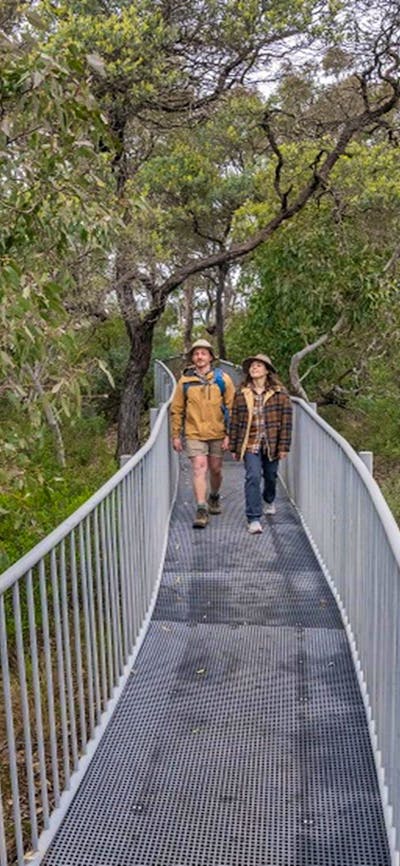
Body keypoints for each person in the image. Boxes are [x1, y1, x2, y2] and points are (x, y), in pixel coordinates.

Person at [171, 339, 235, 528]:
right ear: (192, 357)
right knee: (199, 468)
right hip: (194, 433)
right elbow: (177, 409)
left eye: (203, 353)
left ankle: (214, 496)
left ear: (210, 357)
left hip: (217, 432)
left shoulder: (223, 379)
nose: (199, 357)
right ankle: (201, 509)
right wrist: (176, 435)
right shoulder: (185, 381)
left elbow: (232, 407)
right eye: (196, 353)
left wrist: (229, 434)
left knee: (215, 469)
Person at [229, 353, 292, 534]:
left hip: (271, 443)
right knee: (253, 477)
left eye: (258, 365)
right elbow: (235, 421)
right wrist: (234, 446)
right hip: (250, 443)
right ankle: (254, 518)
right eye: (252, 366)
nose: (254, 368)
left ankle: (269, 498)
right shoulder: (241, 393)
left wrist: (283, 447)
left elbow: (286, 422)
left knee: (271, 475)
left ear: (266, 371)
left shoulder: (280, 393)